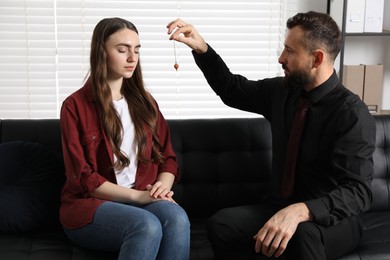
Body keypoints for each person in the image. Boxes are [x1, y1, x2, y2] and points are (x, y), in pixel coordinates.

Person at [167, 11, 376, 260]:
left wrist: (302, 211)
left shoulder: (351, 113)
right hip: (280, 206)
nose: (281, 58)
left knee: (302, 234)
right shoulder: (282, 91)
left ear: (317, 58)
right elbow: (232, 89)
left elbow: (358, 191)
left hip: (334, 220)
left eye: (289, 51)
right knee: (222, 225)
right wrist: (202, 49)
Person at [59, 17, 190, 260]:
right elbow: (82, 179)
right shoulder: (74, 106)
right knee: (146, 226)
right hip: (91, 206)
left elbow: (168, 160)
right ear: (101, 52)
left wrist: (162, 187)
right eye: (122, 50)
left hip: (143, 197)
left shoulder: (146, 103)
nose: (132, 58)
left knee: (178, 218)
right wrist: (139, 197)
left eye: (137, 50)